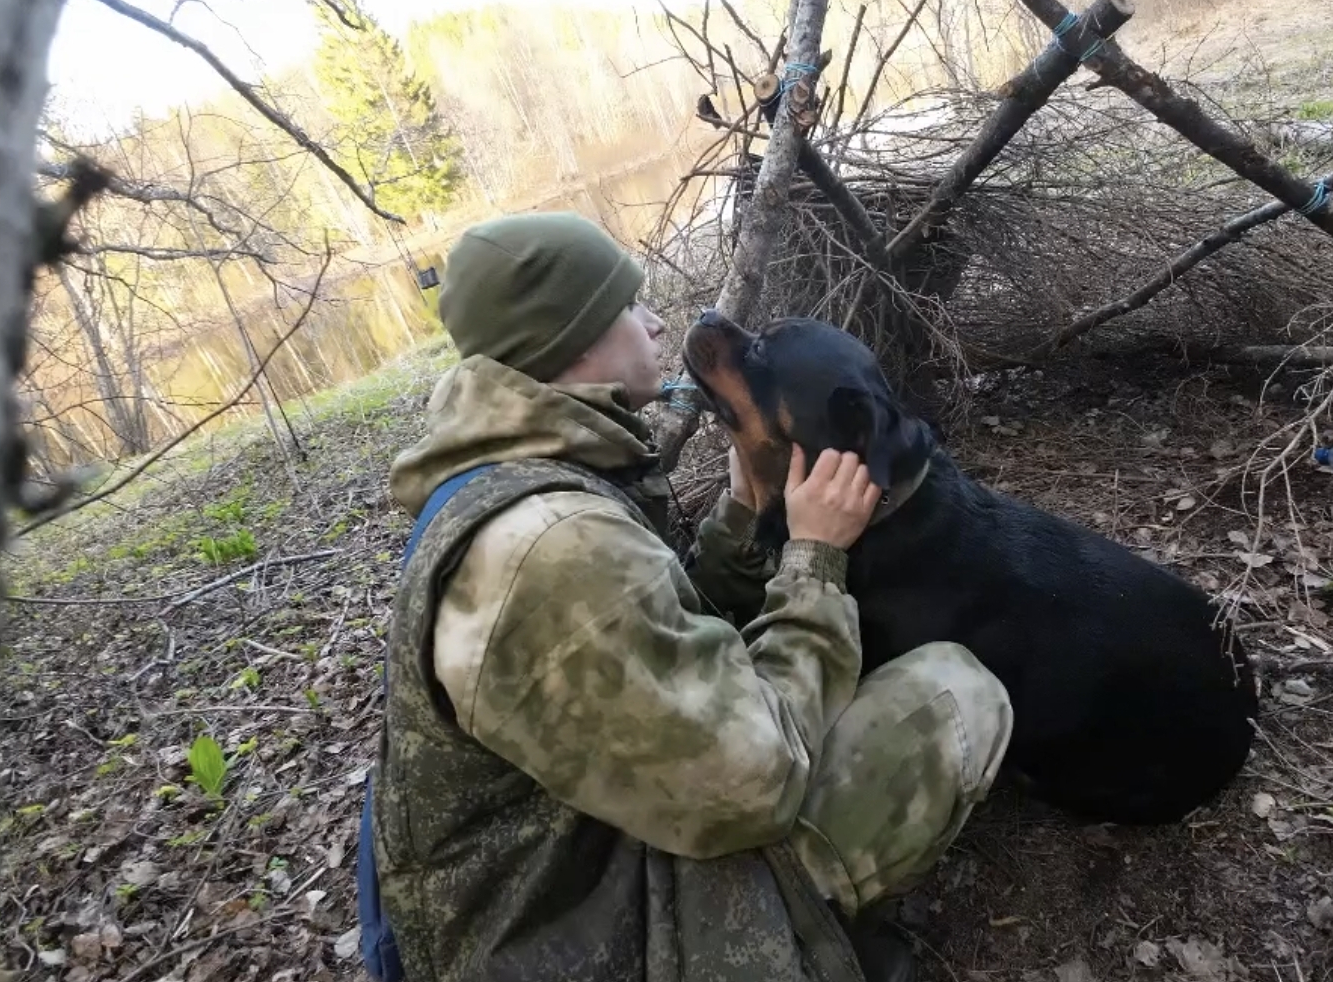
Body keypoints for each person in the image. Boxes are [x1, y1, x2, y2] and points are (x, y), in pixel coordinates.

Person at [369, 210, 1013, 982]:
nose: (651, 320)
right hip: (594, 939)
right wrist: (814, 560)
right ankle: (791, 945)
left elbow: (646, 651)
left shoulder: (512, 475)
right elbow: (757, 782)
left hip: (578, 870)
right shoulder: (550, 550)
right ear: (575, 341)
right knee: (955, 692)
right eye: (628, 306)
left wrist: (742, 517)